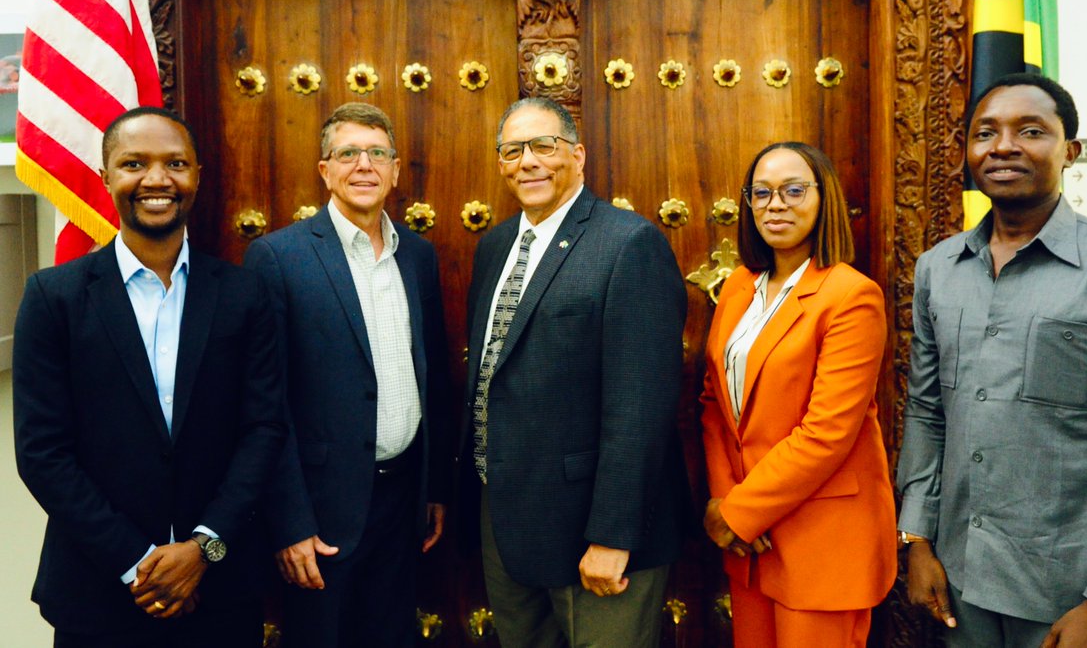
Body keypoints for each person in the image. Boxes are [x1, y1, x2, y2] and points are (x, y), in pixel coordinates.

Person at [896, 73, 1087, 648]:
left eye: (1030, 130)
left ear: (1070, 151)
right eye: (985, 133)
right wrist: (918, 540)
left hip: (1069, 589)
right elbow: (928, 414)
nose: (1003, 146)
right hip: (960, 578)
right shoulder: (939, 269)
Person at [13, 107, 286, 647]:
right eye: (134, 163)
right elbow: (43, 453)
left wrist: (202, 549)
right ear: (107, 177)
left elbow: (264, 429)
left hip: (220, 590)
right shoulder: (54, 297)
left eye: (175, 163)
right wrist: (136, 562)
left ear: (197, 177)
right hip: (98, 593)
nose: (157, 179)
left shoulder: (243, 294)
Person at [460, 96, 690, 648]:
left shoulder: (628, 243)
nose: (528, 161)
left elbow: (640, 408)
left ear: (578, 156)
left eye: (544, 146)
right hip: (507, 520)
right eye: (513, 150)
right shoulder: (494, 247)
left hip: (595, 529)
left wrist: (613, 536)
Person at [243, 102, 450, 648]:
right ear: (325, 170)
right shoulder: (278, 257)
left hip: (402, 501)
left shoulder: (418, 256)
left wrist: (433, 488)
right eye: (348, 153)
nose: (364, 165)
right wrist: (290, 523)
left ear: (396, 170)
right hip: (321, 513)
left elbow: (432, 377)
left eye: (378, 153)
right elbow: (266, 404)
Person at [699, 141, 896, 647]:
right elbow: (713, 405)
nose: (775, 204)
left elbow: (827, 432)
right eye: (761, 193)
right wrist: (727, 501)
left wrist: (740, 513)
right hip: (752, 543)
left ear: (823, 197)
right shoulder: (741, 286)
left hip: (819, 541)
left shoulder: (850, 296)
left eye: (792, 190)